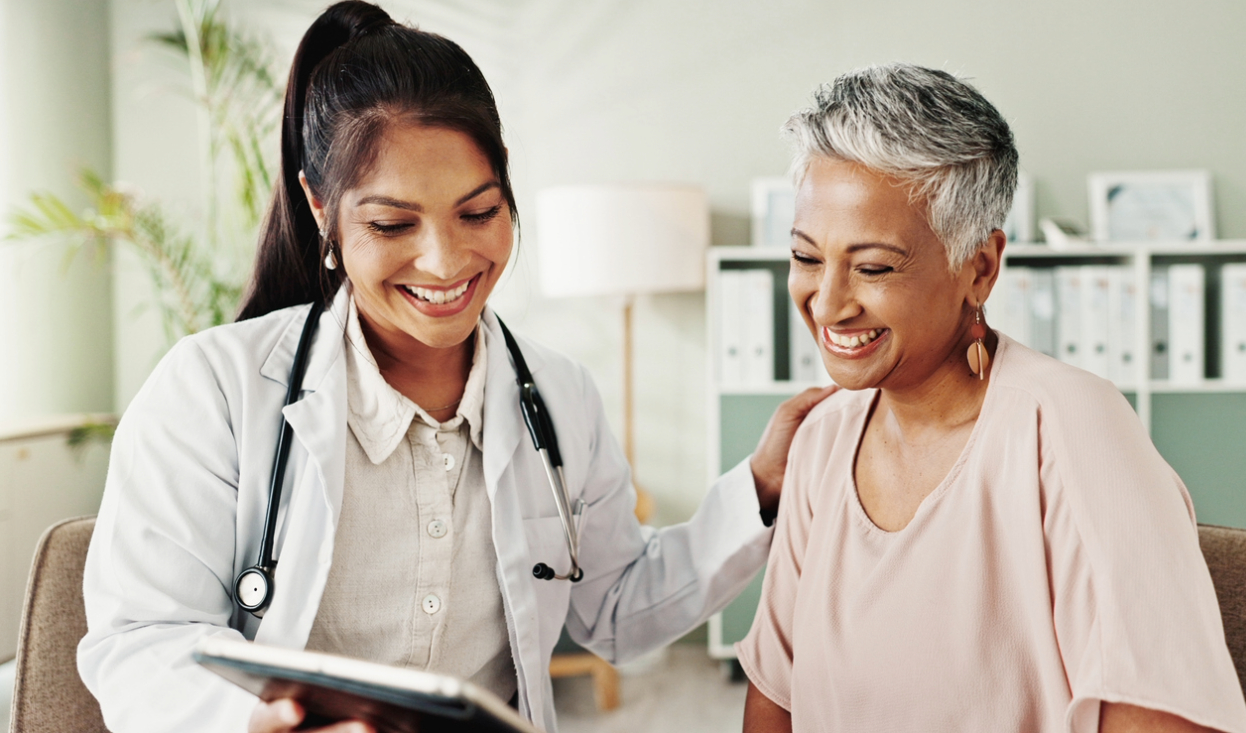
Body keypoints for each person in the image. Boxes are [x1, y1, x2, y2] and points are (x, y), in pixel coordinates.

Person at [76, 4, 834, 732]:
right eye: (391, 223)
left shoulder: (558, 397)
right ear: (319, 205)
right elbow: (141, 639)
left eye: (477, 212)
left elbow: (614, 608)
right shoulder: (212, 390)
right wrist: (252, 722)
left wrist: (762, 485)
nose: (445, 262)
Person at [736, 65, 1246, 733]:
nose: (827, 302)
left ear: (979, 266)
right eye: (806, 258)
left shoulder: (1072, 429)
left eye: (872, 267)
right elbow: (773, 703)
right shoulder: (820, 438)